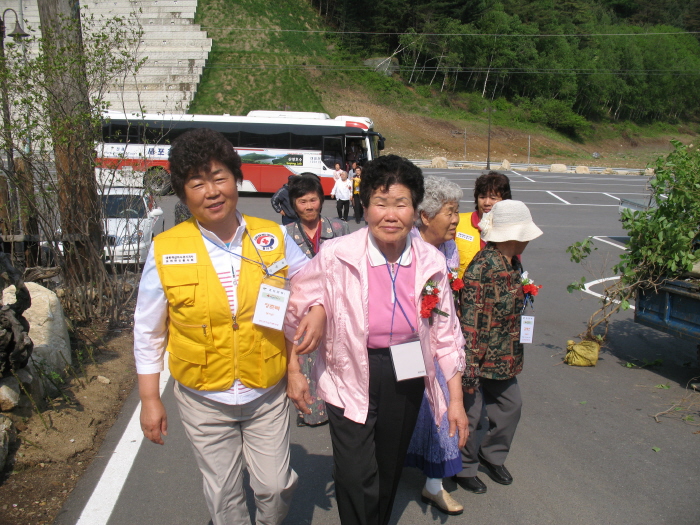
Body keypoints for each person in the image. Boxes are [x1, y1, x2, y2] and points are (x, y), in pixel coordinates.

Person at [133, 127, 324, 525]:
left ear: (236, 180)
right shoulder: (165, 248)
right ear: (183, 192)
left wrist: (318, 308)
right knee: (223, 494)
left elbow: (313, 282)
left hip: (265, 391)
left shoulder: (271, 235)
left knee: (274, 485)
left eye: (219, 177)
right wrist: (150, 398)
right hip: (204, 397)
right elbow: (148, 330)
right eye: (197, 183)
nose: (212, 191)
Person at [285, 155, 468, 525]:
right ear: (364, 207)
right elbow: (298, 305)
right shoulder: (337, 255)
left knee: (388, 466)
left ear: (416, 211)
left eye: (401, 204)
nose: (390, 214)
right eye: (380, 203)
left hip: (407, 364)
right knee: (354, 475)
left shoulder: (431, 262)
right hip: (348, 368)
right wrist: (315, 316)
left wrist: (457, 400)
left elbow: (446, 335)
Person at [455, 200, 542, 496]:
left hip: (504, 357)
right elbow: (472, 321)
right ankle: (464, 467)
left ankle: (491, 456)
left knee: (510, 406)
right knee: (473, 414)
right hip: (479, 358)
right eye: (525, 234)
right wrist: (469, 369)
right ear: (511, 236)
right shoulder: (484, 267)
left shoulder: (514, 262)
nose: (529, 239)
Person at [405, 176, 465, 515]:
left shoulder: (450, 249)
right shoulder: (407, 248)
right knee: (407, 408)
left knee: (440, 411)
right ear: (426, 216)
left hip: (439, 342)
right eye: (449, 212)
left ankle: (433, 485)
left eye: (457, 212)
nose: (455, 220)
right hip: (407, 346)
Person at [285, 174, 348, 426]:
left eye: (313, 200)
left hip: (335, 304)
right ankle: (310, 410)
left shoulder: (339, 228)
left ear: (321, 200)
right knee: (304, 356)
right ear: (293, 204)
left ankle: (338, 407)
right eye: (302, 201)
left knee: (336, 357)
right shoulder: (285, 233)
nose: (309, 206)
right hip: (300, 307)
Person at [455, 171, 512, 278]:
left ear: (504, 201)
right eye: (482, 197)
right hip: (461, 292)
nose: (486, 203)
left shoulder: (510, 230)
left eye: (493, 198)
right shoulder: (458, 222)